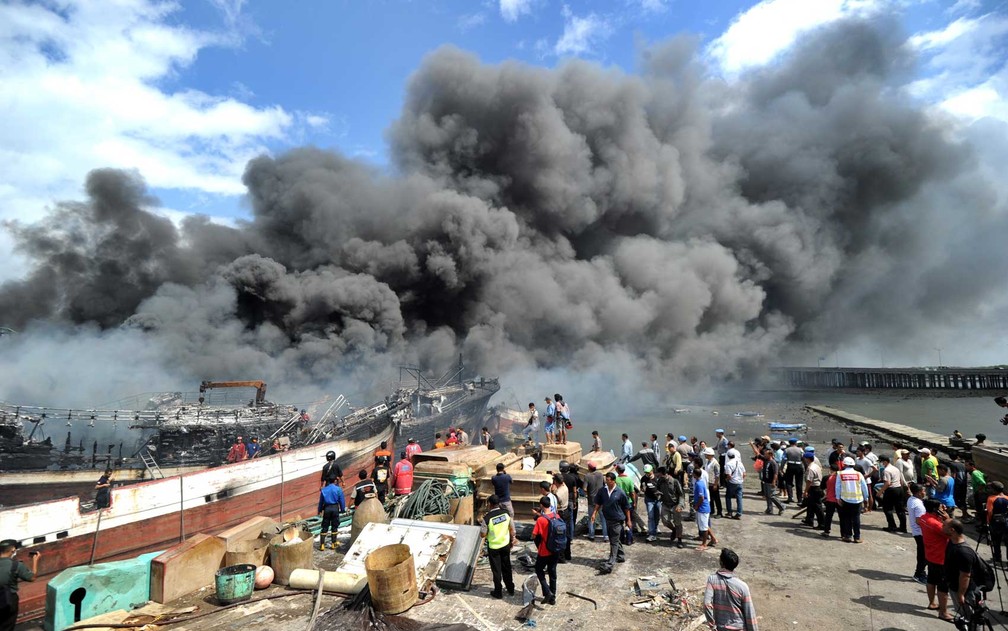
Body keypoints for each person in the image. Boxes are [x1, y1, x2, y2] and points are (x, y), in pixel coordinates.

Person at [703, 548, 759, 631]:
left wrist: (713, 626)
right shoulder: (742, 586)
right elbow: (749, 613)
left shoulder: (712, 580)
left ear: (721, 562)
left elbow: (706, 604)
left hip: (721, 628)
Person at [590, 471, 632, 574]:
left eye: (608, 480)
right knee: (615, 538)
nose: (606, 482)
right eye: (606, 480)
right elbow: (598, 503)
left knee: (613, 541)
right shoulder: (602, 491)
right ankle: (621, 556)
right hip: (607, 518)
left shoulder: (620, 492)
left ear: (613, 481)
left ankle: (611, 561)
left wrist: (629, 520)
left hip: (617, 520)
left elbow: (626, 508)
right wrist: (594, 513)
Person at [918, 499, 953, 622]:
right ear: (935, 510)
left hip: (930, 555)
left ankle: (932, 602)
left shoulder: (923, 518)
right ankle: (943, 612)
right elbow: (952, 534)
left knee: (931, 580)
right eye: (940, 507)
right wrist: (947, 518)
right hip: (941, 557)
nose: (943, 508)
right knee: (943, 586)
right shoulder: (937, 524)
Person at [944, 518, 984, 620]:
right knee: (963, 617)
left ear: (952, 530)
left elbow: (965, 575)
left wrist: (961, 594)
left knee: (971, 619)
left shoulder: (963, 552)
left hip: (965, 591)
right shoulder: (952, 541)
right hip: (954, 586)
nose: (941, 527)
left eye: (944, 526)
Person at [480, 495, 516, 599]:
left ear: (490, 504)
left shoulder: (487, 518)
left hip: (494, 547)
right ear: (498, 503)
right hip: (505, 545)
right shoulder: (506, 513)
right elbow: (512, 528)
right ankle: (510, 589)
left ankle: (498, 592)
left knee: (496, 570)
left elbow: (482, 534)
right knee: (507, 567)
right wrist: (512, 539)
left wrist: (488, 534)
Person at [0, 539, 39, 631]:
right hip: (9, 600)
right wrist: (35, 561)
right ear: (13, 550)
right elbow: (32, 578)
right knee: (7, 625)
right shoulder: (16, 565)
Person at [531, 496, 559, 605]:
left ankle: (547, 591)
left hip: (544, 550)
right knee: (552, 571)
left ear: (542, 505)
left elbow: (534, 535)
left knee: (539, 569)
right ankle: (553, 597)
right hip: (555, 549)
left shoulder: (541, 520)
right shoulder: (556, 516)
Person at [836, 456, 869, 543]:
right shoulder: (859, 474)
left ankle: (848, 536)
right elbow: (864, 487)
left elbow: (838, 487)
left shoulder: (840, 474)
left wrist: (837, 498)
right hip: (857, 500)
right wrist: (866, 498)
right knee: (856, 519)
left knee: (847, 518)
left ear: (844, 464)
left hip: (845, 499)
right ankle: (857, 537)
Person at [656, 466, 686, 548]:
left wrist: (680, 505)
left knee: (678, 522)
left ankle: (679, 540)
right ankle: (674, 530)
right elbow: (657, 489)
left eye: (658, 473)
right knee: (665, 521)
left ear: (662, 473)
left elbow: (681, 494)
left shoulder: (674, 481)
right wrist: (658, 494)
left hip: (675, 505)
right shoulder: (660, 481)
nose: (657, 474)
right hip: (665, 504)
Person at [878, 454, 908, 532]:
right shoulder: (895, 468)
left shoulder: (886, 470)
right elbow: (900, 480)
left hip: (891, 490)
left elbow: (888, 483)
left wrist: (880, 492)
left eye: (881, 462)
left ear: (885, 462)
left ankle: (892, 526)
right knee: (900, 509)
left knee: (888, 509)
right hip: (899, 489)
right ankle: (903, 527)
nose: (880, 464)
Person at [560, 461, 582, 560]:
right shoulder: (572, 478)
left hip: (561, 501)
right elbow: (574, 491)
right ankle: (571, 536)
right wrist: (574, 502)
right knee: (571, 519)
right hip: (570, 500)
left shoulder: (559, 478)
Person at [317, 478, 346, 551]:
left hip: (327, 508)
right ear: (335, 481)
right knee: (334, 525)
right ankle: (334, 543)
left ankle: (322, 545)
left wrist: (319, 510)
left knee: (325, 525)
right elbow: (341, 500)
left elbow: (321, 502)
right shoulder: (338, 489)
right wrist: (342, 509)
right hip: (335, 508)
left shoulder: (324, 490)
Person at [693, 467, 718, 551]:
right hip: (704, 507)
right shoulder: (701, 482)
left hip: (702, 508)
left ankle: (704, 544)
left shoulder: (699, 484)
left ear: (695, 475)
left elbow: (701, 497)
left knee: (703, 528)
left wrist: (697, 506)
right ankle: (713, 539)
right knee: (705, 525)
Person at [907, 483, 928, 583]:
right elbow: (919, 521)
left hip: (917, 532)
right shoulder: (918, 505)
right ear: (919, 493)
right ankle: (918, 574)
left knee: (922, 553)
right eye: (924, 491)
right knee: (923, 555)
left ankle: (921, 573)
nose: (925, 492)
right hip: (921, 533)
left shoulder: (911, 499)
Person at [584, 462, 608, 542]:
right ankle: (606, 536)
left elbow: (584, 489)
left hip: (592, 500)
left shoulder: (587, 476)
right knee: (603, 518)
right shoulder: (600, 475)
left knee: (592, 517)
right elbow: (604, 485)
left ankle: (591, 535)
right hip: (601, 500)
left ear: (589, 468)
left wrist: (587, 494)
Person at [801, 451, 824, 528]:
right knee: (810, 505)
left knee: (817, 507)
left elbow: (809, 482)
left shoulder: (810, 468)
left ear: (807, 459)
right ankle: (809, 520)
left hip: (814, 488)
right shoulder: (816, 466)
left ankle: (822, 523)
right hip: (818, 487)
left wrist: (805, 491)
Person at [987, 482, 1008, 564]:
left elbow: (990, 512)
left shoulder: (991, 498)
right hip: (1006, 522)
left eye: (991, 488)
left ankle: (997, 558)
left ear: (994, 490)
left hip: (996, 523)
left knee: (996, 541)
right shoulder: (1007, 498)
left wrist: (988, 522)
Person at [551, 473, 570, 564]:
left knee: (560, 535)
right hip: (566, 511)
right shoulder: (564, 487)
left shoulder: (557, 493)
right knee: (566, 534)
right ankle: (567, 554)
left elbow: (555, 503)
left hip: (561, 513)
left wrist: (552, 491)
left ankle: (561, 557)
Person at [759, 448, 784, 515]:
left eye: (766, 454)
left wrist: (774, 482)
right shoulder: (766, 460)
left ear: (770, 455)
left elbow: (776, 473)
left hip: (771, 482)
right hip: (766, 481)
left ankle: (782, 506)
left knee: (772, 496)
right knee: (767, 496)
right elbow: (758, 454)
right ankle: (769, 509)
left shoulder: (773, 463)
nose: (764, 455)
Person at [640, 464, 661, 542]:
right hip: (649, 499)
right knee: (650, 516)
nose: (647, 474)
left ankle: (655, 528)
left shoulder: (657, 478)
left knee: (657, 515)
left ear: (652, 471)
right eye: (646, 472)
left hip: (658, 499)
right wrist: (642, 489)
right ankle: (652, 533)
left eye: (648, 472)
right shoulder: (643, 478)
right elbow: (642, 488)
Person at [820, 462, 840, 537]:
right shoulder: (840, 478)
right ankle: (844, 533)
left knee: (828, 516)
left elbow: (822, 488)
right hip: (839, 500)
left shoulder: (826, 477)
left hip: (830, 499)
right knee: (842, 517)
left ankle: (826, 531)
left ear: (830, 469)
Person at [703, 447, 723, 519]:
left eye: (706, 454)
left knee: (717, 498)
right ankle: (712, 510)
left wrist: (715, 484)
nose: (705, 456)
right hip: (709, 483)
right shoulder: (707, 461)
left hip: (713, 483)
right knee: (710, 498)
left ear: (710, 455)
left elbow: (717, 475)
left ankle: (719, 512)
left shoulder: (715, 463)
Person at [783, 438, 804, 503]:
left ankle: (790, 497)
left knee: (788, 482)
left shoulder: (787, 450)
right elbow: (803, 458)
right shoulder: (800, 450)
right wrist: (805, 467)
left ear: (789, 443)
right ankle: (799, 499)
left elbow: (784, 460)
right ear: (796, 443)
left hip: (790, 465)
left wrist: (781, 468)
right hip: (799, 466)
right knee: (799, 483)